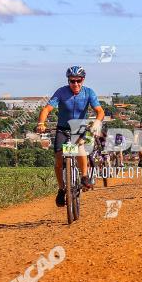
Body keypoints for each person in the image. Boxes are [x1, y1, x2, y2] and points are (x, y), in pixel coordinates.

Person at [35, 66, 105, 207]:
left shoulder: (89, 92)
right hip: (62, 129)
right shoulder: (61, 92)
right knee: (59, 160)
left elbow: (100, 111)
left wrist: (97, 122)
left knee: (79, 149)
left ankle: (84, 176)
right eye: (72, 81)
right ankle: (61, 189)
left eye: (78, 81)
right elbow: (47, 109)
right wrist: (41, 123)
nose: (75, 84)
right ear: (68, 80)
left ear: (83, 80)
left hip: (79, 127)